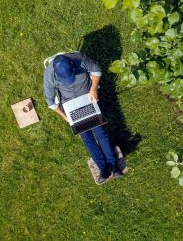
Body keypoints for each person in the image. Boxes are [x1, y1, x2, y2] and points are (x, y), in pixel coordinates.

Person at [43, 52, 124, 184]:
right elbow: (50, 102)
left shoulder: (79, 59)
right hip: (71, 106)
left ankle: (114, 166)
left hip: (88, 98)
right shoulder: (49, 75)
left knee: (101, 133)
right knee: (86, 137)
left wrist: (93, 89)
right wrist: (66, 117)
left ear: (72, 66)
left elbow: (97, 70)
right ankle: (103, 168)